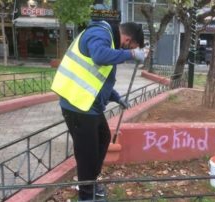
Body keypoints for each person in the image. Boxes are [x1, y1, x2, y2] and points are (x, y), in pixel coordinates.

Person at [51, 20, 145, 201]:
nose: (124, 50)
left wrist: (117, 98)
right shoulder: (100, 33)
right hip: (77, 105)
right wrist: (132, 54)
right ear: (126, 39)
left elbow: (98, 79)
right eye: (130, 46)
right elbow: (99, 56)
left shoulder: (108, 40)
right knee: (87, 154)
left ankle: (90, 182)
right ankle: (86, 196)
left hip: (88, 105)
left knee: (103, 138)